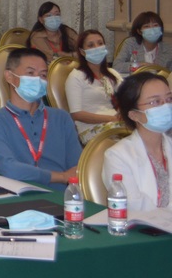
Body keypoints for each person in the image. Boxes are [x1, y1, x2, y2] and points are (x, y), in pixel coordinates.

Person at [0, 48, 82, 191]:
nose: (38, 79)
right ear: (9, 76)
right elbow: (8, 167)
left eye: (43, 75)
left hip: (59, 196)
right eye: (30, 73)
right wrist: (60, 177)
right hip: (18, 194)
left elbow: (77, 167)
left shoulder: (61, 118)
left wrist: (67, 177)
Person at [103, 72, 172, 212]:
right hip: (144, 224)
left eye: (169, 99)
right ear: (134, 114)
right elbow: (133, 206)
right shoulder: (117, 156)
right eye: (155, 102)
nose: (166, 106)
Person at [65, 29, 123, 144]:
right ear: (82, 52)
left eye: (100, 43)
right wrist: (112, 119)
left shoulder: (112, 73)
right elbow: (76, 114)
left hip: (115, 122)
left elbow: (127, 97)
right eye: (91, 45)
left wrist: (122, 113)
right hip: (90, 129)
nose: (97, 47)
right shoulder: (76, 77)